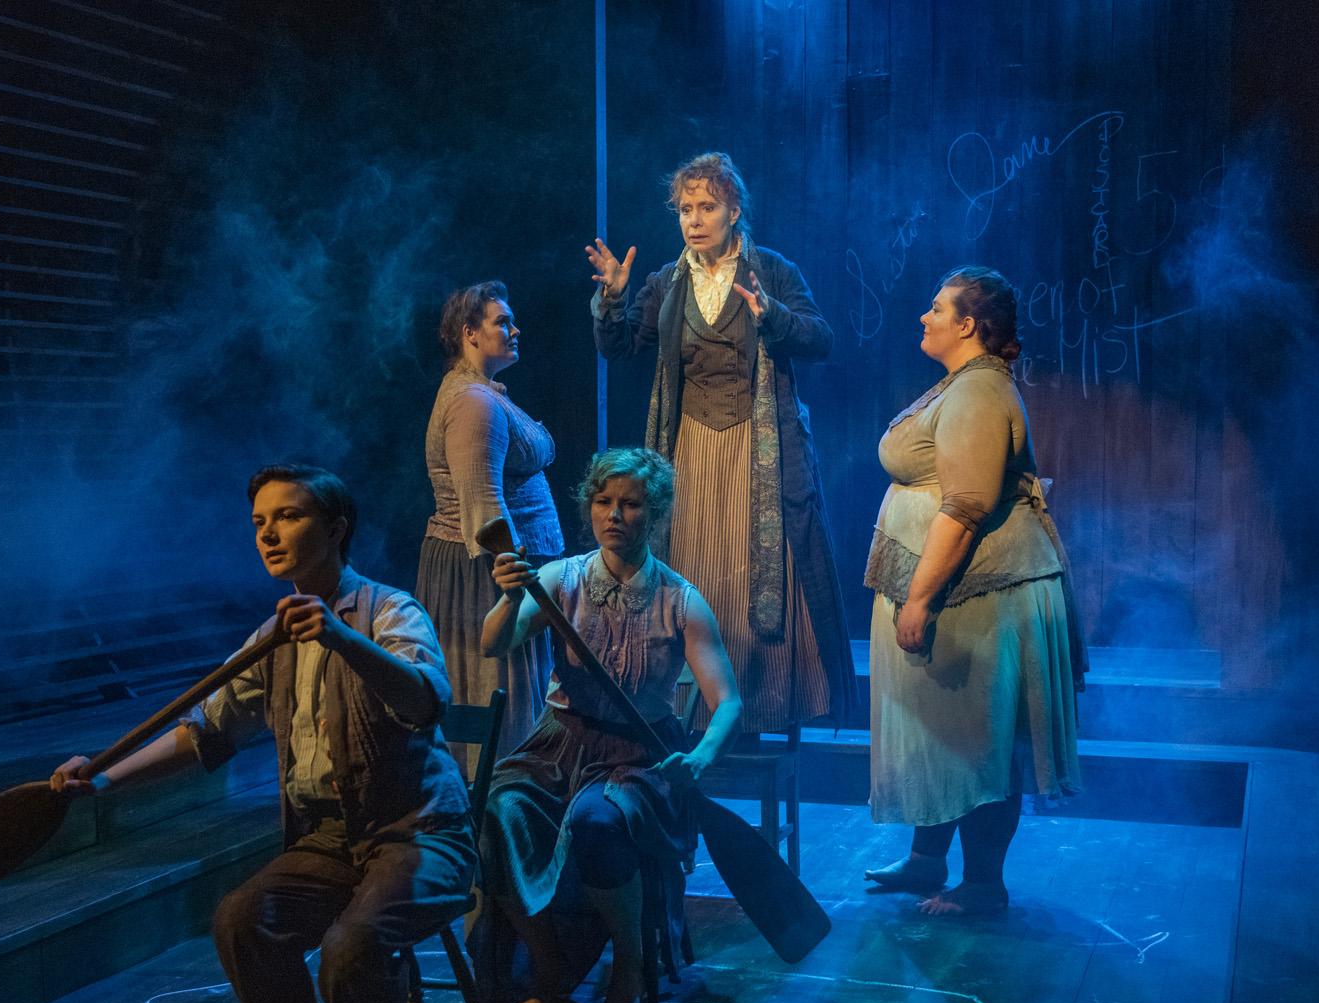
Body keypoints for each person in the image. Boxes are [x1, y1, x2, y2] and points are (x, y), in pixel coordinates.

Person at [50, 464, 473, 1003]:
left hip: (417, 833)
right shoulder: (269, 638)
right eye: (258, 522)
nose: (268, 534)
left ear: (335, 527)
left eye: (287, 516)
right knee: (244, 920)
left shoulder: (388, 612)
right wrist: (106, 776)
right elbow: (204, 735)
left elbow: (425, 701)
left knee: (353, 946)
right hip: (329, 840)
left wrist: (342, 638)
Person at [586, 151, 854, 733]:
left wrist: (773, 317)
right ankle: (694, 715)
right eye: (685, 209)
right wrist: (612, 298)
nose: (694, 219)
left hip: (759, 454)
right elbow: (621, 348)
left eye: (706, 206)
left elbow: (822, 338)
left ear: (734, 211)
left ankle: (760, 708)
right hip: (690, 454)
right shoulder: (666, 282)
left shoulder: (773, 271)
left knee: (751, 578)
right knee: (697, 575)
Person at [476, 447, 742, 1003]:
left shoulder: (680, 600)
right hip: (558, 744)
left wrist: (697, 759)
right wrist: (509, 594)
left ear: (657, 513)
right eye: (603, 502)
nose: (614, 514)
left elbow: (727, 701)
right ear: (588, 508)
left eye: (631, 504)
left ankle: (627, 964)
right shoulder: (558, 579)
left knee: (596, 821)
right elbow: (495, 643)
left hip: (636, 755)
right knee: (499, 809)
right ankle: (551, 970)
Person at [861, 268, 1085, 915]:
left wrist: (922, 597)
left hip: (982, 595)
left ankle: (984, 883)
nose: (923, 317)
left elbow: (966, 505)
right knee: (945, 735)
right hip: (966, 595)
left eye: (937, 309)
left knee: (978, 743)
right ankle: (927, 861)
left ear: (969, 324)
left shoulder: (982, 390)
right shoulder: (961, 385)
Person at [418, 281, 565, 766]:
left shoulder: (482, 393)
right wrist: (510, 588)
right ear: (469, 333)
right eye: (502, 321)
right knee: (495, 689)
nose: (514, 329)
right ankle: (496, 809)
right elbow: (483, 505)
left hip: (502, 571)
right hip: (490, 575)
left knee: (513, 691)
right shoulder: (472, 404)